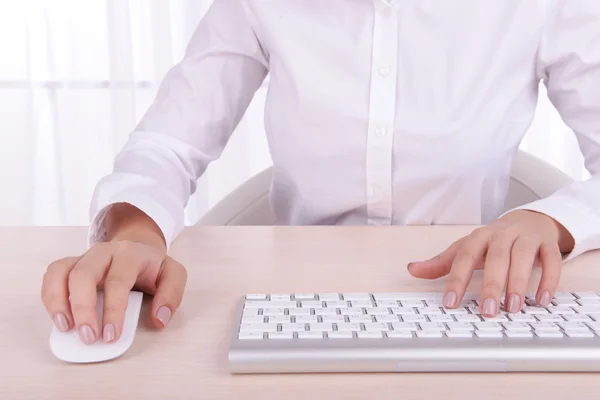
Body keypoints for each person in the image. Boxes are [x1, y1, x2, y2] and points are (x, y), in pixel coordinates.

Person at [41, 0, 600, 346]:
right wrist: (135, 233)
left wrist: (549, 221)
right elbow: (166, 144)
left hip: (470, 301)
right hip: (294, 298)